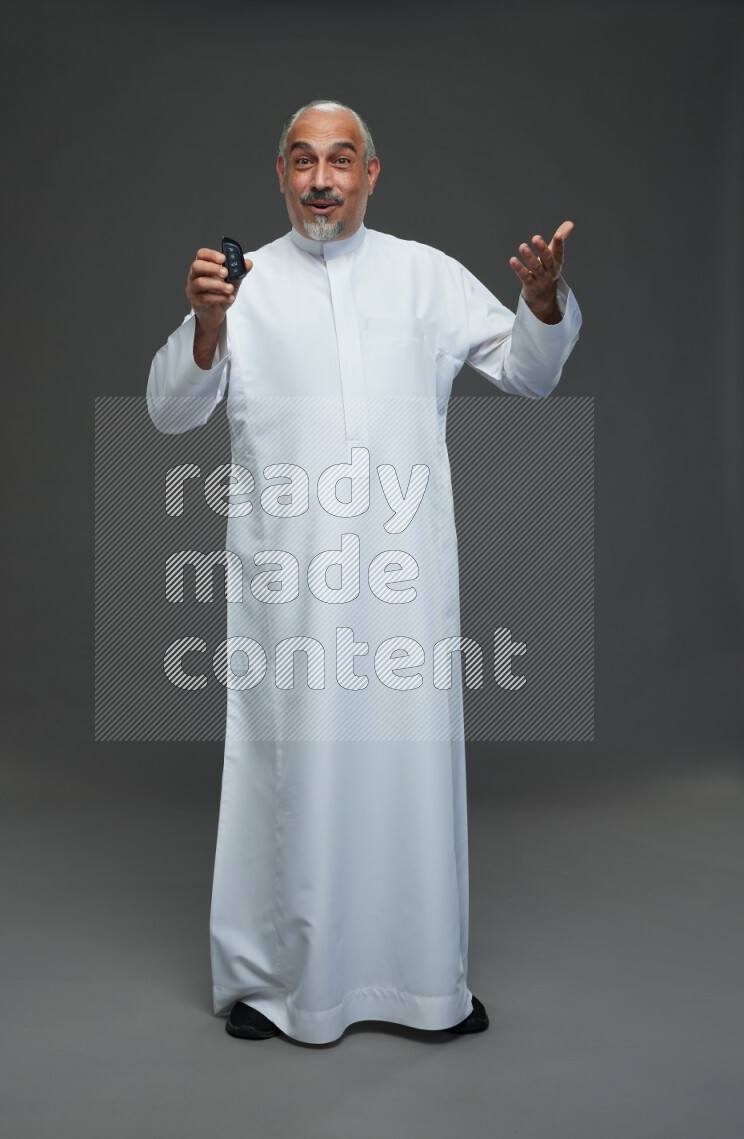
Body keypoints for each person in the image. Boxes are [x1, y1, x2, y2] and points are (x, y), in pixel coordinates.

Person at [146, 99, 583, 1044]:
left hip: (402, 584)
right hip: (290, 586)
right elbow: (170, 412)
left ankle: (426, 982)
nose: (321, 180)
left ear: (371, 175)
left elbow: (528, 372)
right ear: (280, 174)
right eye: (303, 161)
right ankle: (277, 984)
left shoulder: (424, 276)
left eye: (341, 161)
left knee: (406, 769)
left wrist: (542, 304)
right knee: (289, 771)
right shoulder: (240, 285)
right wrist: (205, 325)